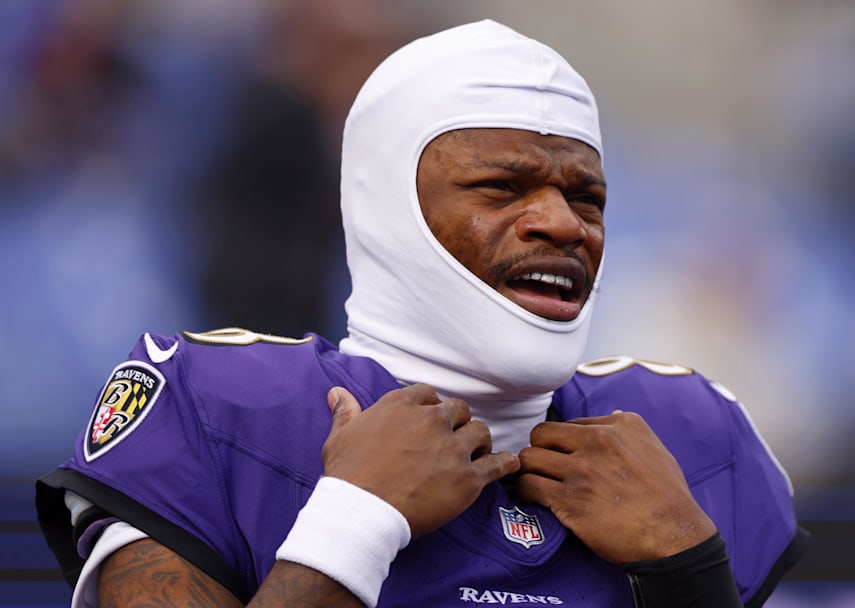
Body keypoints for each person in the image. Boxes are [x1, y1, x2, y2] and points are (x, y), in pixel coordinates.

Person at [36, 20, 807, 607]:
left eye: (586, 196)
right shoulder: (217, 409)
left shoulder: (692, 434)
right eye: (502, 188)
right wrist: (351, 528)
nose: (566, 225)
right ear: (389, 212)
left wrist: (688, 575)